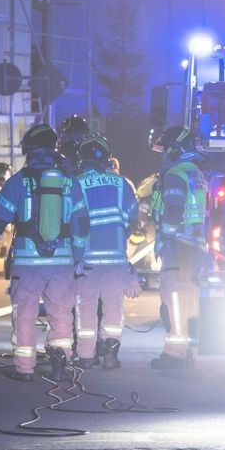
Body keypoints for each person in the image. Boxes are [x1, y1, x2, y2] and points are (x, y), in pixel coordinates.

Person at [0, 124, 88, 382]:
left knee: (25, 313)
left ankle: (24, 368)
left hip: (27, 263)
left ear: (29, 150)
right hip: (62, 261)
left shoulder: (17, 182)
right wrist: (78, 256)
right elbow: (82, 222)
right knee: (61, 313)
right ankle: (59, 363)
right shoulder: (70, 182)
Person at [71, 134, 139, 369]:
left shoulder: (76, 183)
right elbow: (132, 216)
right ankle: (110, 355)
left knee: (85, 307)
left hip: (86, 259)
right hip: (115, 260)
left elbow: (70, 220)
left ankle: (86, 357)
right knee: (113, 307)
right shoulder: (122, 183)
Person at [149, 125, 208, 369]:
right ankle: (187, 354)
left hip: (178, 247)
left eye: (165, 150)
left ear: (175, 149)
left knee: (173, 301)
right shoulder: (194, 172)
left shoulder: (175, 174)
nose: (163, 155)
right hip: (193, 246)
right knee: (188, 302)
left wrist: (165, 235)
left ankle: (174, 355)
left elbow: (173, 209)